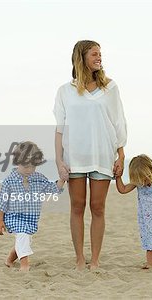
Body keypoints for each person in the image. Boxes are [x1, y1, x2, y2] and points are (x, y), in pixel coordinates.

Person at [53, 40, 127, 270]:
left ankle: (95, 260)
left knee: (98, 207)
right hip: (75, 156)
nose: (99, 57)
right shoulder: (65, 91)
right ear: (81, 57)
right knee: (77, 206)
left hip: (103, 155)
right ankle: (79, 259)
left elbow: (118, 124)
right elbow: (60, 129)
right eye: (94, 54)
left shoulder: (110, 88)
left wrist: (121, 156)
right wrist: (59, 161)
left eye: (100, 54)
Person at [0, 141, 65, 271]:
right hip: (13, 217)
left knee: (25, 240)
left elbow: (53, 189)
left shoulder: (39, 178)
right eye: (26, 166)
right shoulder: (9, 181)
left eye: (33, 166)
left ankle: (9, 260)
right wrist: (0, 221)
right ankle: (24, 266)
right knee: (22, 235)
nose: (30, 170)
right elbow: (2, 202)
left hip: (31, 219)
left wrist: (62, 180)